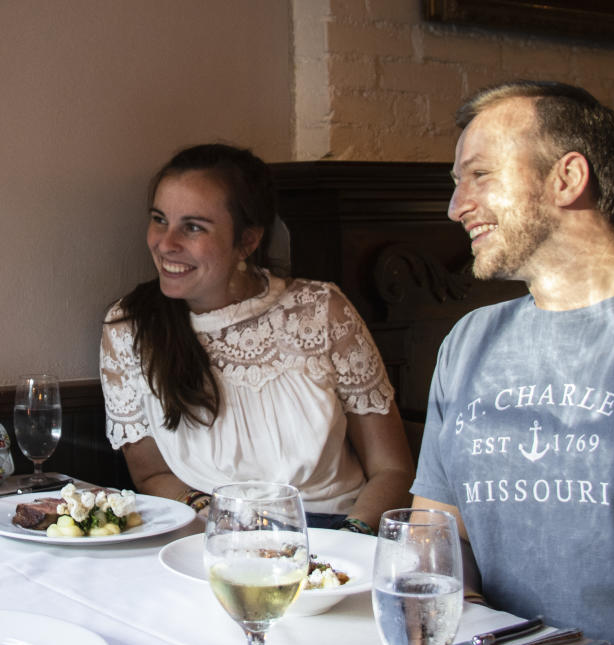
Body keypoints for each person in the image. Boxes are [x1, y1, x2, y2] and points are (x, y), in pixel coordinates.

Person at [411, 81, 614, 645]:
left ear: (567, 178)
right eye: (456, 184)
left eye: (479, 176)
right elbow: (437, 529)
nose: (456, 208)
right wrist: (469, 616)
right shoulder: (469, 341)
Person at [100, 143, 414, 531]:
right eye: (159, 219)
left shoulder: (321, 309)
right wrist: (228, 529)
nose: (166, 243)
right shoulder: (129, 327)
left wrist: (353, 539)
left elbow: (392, 467)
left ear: (247, 241)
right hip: (212, 537)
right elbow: (150, 475)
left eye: (193, 226)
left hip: (339, 533)